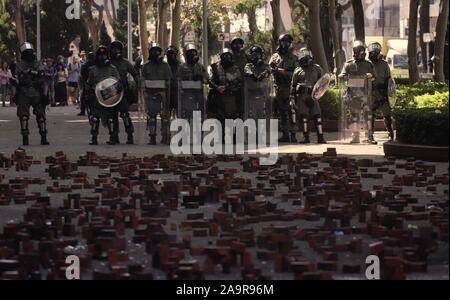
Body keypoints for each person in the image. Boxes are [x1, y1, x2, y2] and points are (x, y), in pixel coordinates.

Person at [339, 40, 376, 144]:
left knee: (367, 115)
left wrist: (370, 76)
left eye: (358, 51)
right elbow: (342, 75)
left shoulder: (368, 64)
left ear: (363, 52)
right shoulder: (349, 64)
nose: (357, 53)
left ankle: (369, 136)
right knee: (354, 117)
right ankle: (355, 137)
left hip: (365, 94)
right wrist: (342, 76)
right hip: (353, 94)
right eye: (355, 51)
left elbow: (374, 77)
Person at [85, 45, 121, 145]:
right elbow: (89, 83)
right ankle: (94, 137)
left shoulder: (112, 68)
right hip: (96, 97)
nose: (102, 57)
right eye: (100, 55)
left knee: (110, 119)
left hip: (109, 97)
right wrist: (87, 93)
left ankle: (112, 137)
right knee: (95, 118)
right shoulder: (93, 69)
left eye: (104, 55)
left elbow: (118, 81)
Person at [15, 42, 49, 146]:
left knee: (40, 116)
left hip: (35, 91)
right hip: (26, 91)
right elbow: (19, 76)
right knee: (25, 116)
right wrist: (31, 74)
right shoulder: (20, 64)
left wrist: (30, 73)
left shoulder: (36, 63)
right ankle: (27, 138)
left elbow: (42, 74)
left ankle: (42, 137)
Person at [290, 48, 326, 144]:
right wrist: (292, 97)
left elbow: (323, 81)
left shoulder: (317, 68)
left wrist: (319, 94)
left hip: (314, 96)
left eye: (307, 54)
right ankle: (306, 138)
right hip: (302, 96)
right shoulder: (297, 70)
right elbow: (293, 85)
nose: (305, 56)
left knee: (317, 117)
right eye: (303, 54)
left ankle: (321, 137)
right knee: (304, 118)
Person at [269, 33, 299, 143]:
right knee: (282, 112)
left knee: (292, 112)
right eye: (282, 42)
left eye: (287, 42)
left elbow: (297, 74)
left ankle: (293, 135)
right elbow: (269, 71)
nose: (284, 44)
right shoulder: (274, 56)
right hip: (278, 87)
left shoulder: (294, 58)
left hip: (289, 87)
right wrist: (272, 70)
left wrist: (284, 72)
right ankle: (285, 134)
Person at [141, 43, 172, 145]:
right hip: (150, 94)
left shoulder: (165, 66)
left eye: (158, 51)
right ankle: (152, 137)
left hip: (162, 94)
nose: (156, 53)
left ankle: (165, 136)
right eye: (153, 51)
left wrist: (166, 91)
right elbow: (142, 80)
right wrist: (144, 92)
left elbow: (169, 80)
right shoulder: (145, 66)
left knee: (165, 117)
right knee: (152, 117)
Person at [208, 48, 242, 140]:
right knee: (220, 117)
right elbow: (211, 81)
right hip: (219, 96)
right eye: (224, 56)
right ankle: (222, 136)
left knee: (232, 116)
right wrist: (217, 87)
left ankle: (232, 136)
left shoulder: (235, 68)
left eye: (228, 56)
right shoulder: (216, 68)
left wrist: (227, 87)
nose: (226, 58)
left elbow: (238, 81)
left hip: (231, 96)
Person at [109, 40, 139, 144]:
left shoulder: (125, 62)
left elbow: (135, 74)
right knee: (112, 116)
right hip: (111, 92)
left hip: (123, 91)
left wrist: (139, 86)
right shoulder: (108, 63)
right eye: (114, 49)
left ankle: (130, 135)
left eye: (119, 49)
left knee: (125, 114)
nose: (117, 51)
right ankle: (113, 136)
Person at [368, 42, 394, 142]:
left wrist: (388, 93)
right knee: (370, 115)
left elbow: (389, 80)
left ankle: (390, 134)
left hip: (383, 93)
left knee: (387, 115)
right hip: (371, 93)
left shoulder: (384, 64)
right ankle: (370, 135)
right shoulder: (367, 64)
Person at [178, 44, 208, 119]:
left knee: (200, 114)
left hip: (198, 94)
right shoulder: (182, 67)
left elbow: (206, 79)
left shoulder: (200, 66)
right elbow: (178, 80)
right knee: (185, 115)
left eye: (194, 53)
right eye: (190, 53)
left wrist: (201, 77)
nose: (192, 55)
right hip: (186, 94)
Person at [243, 46, 272, 121]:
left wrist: (263, 74)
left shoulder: (265, 65)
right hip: (251, 94)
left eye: (257, 54)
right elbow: (247, 70)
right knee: (251, 115)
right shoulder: (249, 65)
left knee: (262, 115)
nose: (255, 56)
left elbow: (268, 70)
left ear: (261, 55)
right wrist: (252, 75)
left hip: (262, 94)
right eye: (254, 54)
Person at [79, 52, 96, 116]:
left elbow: (82, 75)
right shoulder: (97, 64)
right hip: (94, 83)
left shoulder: (85, 64)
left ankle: (82, 111)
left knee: (84, 96)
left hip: (87, 83)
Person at [166, 45, 181, 118]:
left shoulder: (181, 66)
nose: (171, 56)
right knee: (165, 114)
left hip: (177, 92)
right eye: (169, 54)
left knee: (180, 113)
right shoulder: (163, 65)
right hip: (166, 92)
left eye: (173, 54)